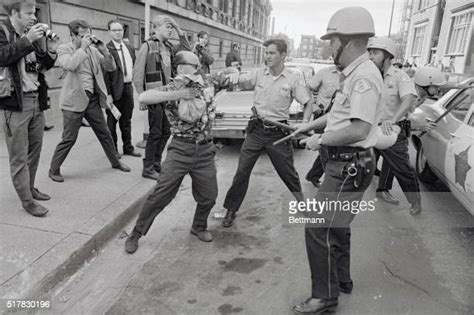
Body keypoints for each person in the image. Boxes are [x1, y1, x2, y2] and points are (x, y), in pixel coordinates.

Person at [291, 7, 384, 314]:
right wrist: (311, 125)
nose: (329, 47)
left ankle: (325, 297)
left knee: (318, 228)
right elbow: (339, 115)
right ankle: (341, 279)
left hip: (348, 164)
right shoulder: (356, 72)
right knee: (339, 225)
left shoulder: (364, 77)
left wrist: (320, 140)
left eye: (333, 41)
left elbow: (359, 128)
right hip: (348, 164)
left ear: (350, 41)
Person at [125, 51, 217, 253]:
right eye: (195, 65)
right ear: (182, 68)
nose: (199, 69)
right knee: (160, 195)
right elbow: (145, 96)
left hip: (204, 150)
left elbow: (231, 76)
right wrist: (179, 94)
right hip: (180, 150)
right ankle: (136, 234)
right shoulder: (173, 87)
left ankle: (199, 226)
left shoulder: (208, 82)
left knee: (209, 196)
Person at [220, 38, 313, 228]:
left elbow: (308, 102)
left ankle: (303, 206)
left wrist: (304, 123)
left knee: (289, 174)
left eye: (272, 53)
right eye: (267, 53)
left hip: (279, 133)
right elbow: (239, 80)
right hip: (256, 130)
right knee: (242, 171)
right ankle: (231, 209)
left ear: (283, 55)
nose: (267, 56)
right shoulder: (258, 75)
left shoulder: (292, 79)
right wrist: (233, 76)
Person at [49, 20, 130, 183]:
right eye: (82, 35)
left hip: (92, 100)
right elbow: (70, 65)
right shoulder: (64, 49)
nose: (87, 37)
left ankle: (115, 161)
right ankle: (53, 169)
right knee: (69, 138)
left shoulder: (93, 50)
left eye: (88, 33)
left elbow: (110, 67)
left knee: (105, 133)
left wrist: (104, 50)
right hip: (73, 101)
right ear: (72, 35)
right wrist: (84, 48)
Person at [0, 0, 57, 217]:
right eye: (29, 13)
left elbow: (37, 67)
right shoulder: (3, 31)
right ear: (15, 13)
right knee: (19, 157)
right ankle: (27, 201)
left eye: (35, 12)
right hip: (15, 104)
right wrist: (28, 39)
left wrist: (50, 52)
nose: (34, 17)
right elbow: (2, 56)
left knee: (35, 151)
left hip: (36, 101)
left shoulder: (28, 34)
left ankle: (29, 188)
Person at [367, 36, 422, 214]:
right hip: (370, 129)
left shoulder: (400, 77)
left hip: (392, 130)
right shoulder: (369, 75)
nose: (370, 56)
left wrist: (393, 119)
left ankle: (415, 202)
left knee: (402, 169)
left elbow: (407, 100)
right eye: (369, 52)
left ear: (388, 56)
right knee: (359, 164)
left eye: (375, 53)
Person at [133, 15, 191, 180]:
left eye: (171, 27)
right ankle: (148, 167)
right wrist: (141, 97)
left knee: (166, 131)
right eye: (167, 26)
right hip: (154, 95)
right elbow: (138, 73)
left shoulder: (169, 47)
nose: (170, 29)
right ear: (156, 28)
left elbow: (187, 50)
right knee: (155, 133)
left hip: (168, 95)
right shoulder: (147, 46)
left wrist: (179, 29)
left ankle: (157, 164)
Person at [103, 20, 141, 158]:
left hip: (127, 88)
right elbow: (105, 74)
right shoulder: (106, 49)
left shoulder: (129, 48)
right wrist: (107, 94)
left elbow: (135, 67)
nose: (118, 32)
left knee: (127, 120)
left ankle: (128, 147)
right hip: (113, 91)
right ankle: (113, 150)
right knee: (112, 122)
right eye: (114, 30)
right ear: (109, 32)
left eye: (120, 30)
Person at [305, 65, 340, 187]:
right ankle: (330, 182)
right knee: (325, 149)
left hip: (338, 118)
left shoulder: (350, 75)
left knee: (329, 149)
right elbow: (307, 88)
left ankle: (313, 176)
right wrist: (313, 105)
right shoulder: (324, 73)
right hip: (322, 116)